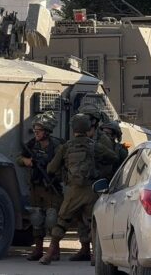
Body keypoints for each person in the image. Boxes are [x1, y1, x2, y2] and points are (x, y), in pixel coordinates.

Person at [39, 114, 118, 265]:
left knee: (61, 222)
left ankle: (48, 255)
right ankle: (95, 257)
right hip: (91, 190)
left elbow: (51, 168)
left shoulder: (66, 147)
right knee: (93, 224)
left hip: (73, 191)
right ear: (88, 128)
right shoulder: (94, 146)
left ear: (73, 129)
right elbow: (113, 157)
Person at [17, 111, 63, 261]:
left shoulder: (57, 146)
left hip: (51, 187)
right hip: (36, 187)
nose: (36, 133)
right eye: (35, 130)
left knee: (51, 219)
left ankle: (54, 250)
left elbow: (64, 164)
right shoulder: (32, 144)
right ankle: (38, 250)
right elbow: (19, 158)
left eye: (39, 130)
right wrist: (26, 161)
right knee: (36, 218)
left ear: (47, 131)